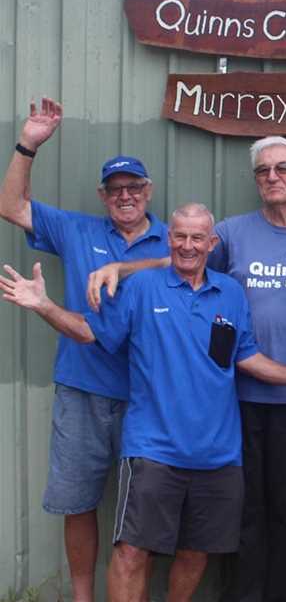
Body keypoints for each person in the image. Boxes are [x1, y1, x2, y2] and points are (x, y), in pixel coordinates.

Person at [0, 203, 286, 602]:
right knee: (132, 551)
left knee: (196, 552)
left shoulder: (231, 293)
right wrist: (44, 305)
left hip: (218, 454)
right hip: (153, 450)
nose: (187, 245)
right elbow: (90, 332)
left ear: (211, 243)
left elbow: (245, 355)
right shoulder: (142, 288)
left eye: (197, 237)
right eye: (179, 236)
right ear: (169, 239)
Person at [88, 136, 286, 602]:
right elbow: (184, 259)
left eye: (282, 168)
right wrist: (121, 271)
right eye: (263, 170)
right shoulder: (232, 232)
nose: (272, 177)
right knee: (240, 524)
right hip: (240, 402)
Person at [0, 98, 170, 602]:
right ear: (102, 196)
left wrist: (127, 269)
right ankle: (82, 597)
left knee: (141, 508)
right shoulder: (78, 230)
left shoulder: (173, 240)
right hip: (82, 391)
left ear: (149, 192)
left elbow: (200, 261)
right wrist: (27, 144)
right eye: (115, 190)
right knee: (79, 503)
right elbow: (11, 207)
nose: (126, 197)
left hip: (147, 396)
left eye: (134, 188)